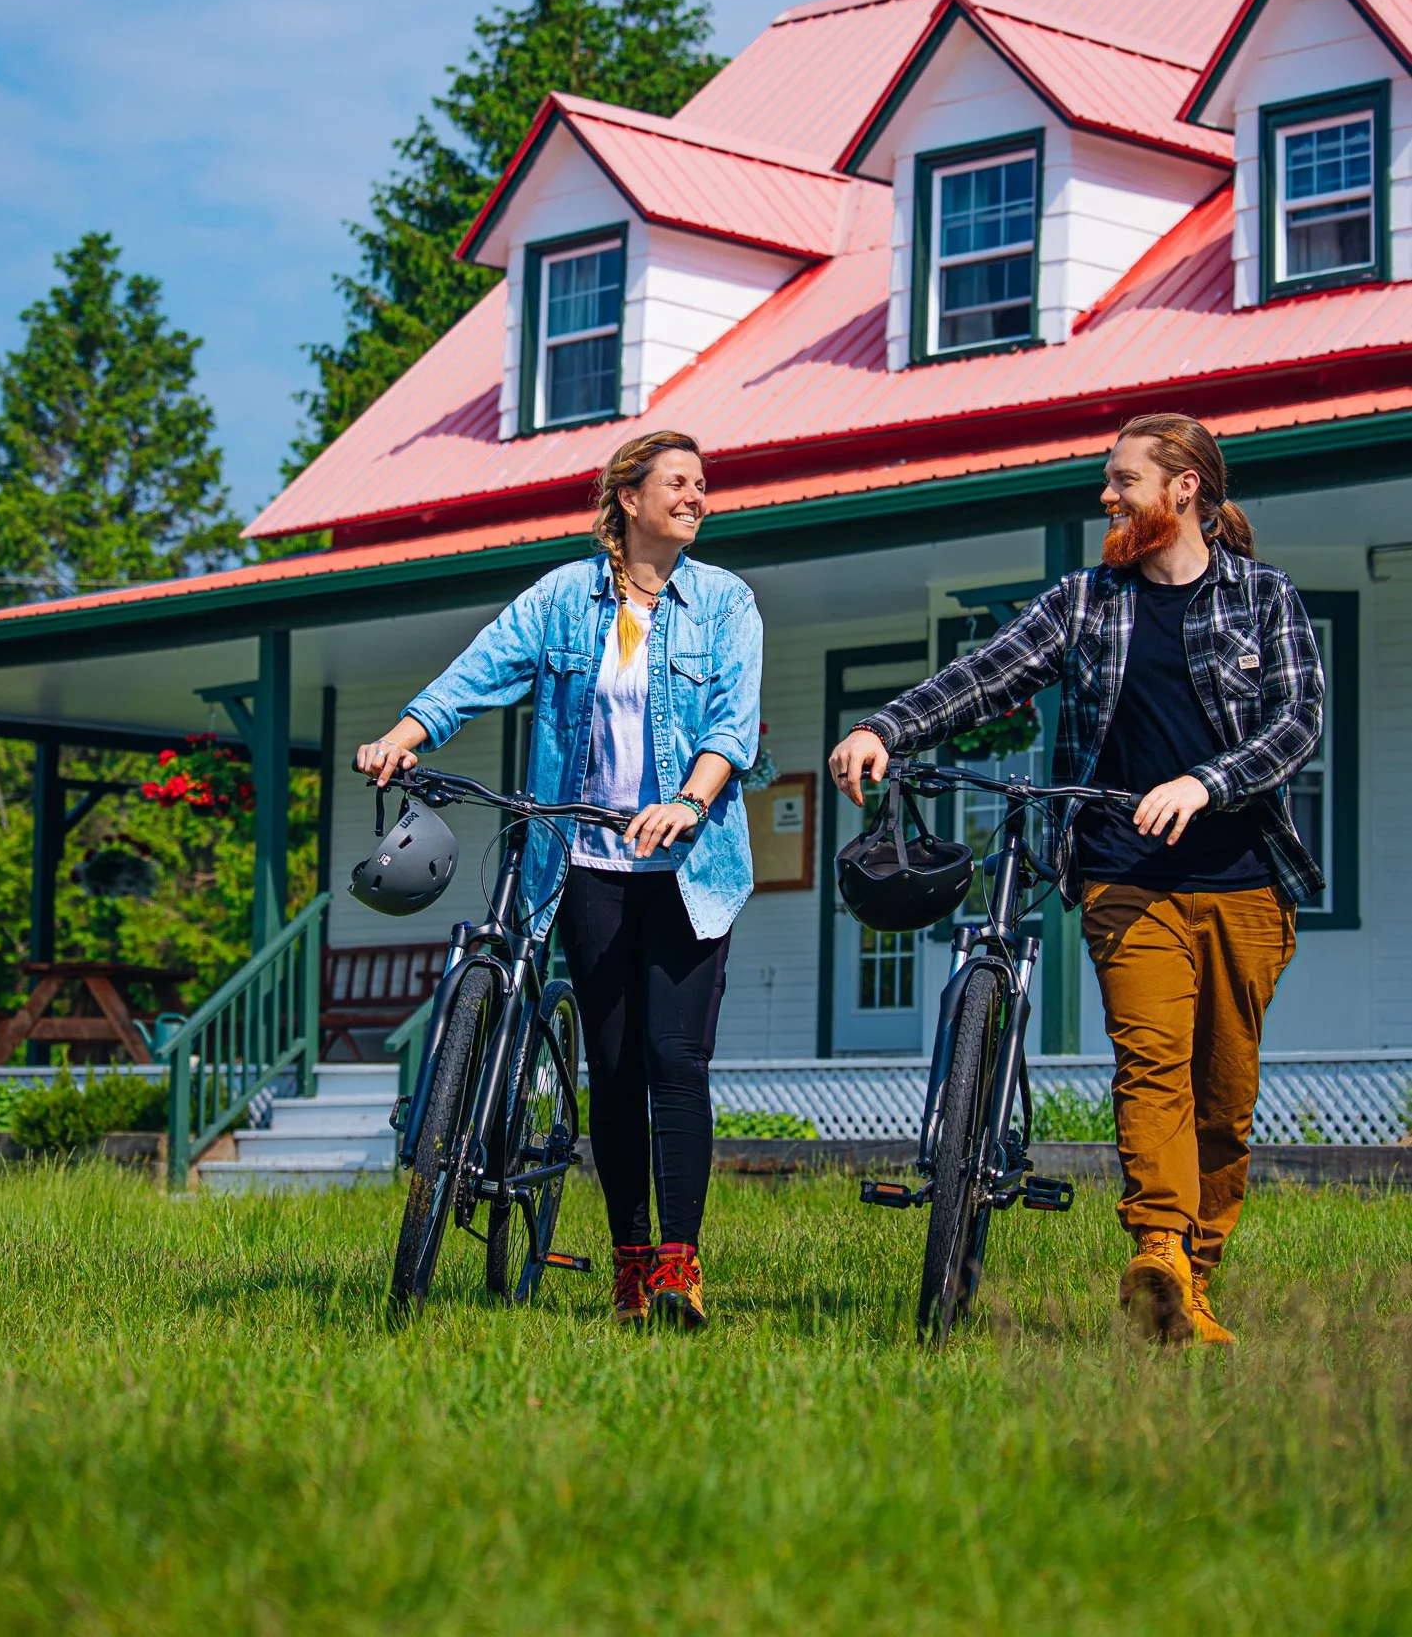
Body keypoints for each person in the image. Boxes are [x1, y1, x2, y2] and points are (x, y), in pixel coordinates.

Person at [829, 412, 1324, 1346]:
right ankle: (1158, 1250)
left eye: (1122, 479)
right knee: (1151, 1065)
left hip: (1243, 879)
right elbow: (985, 674)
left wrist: (1204, 782)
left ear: (1183, 488)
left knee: (1224, 1097)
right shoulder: (1086, 601)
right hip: (1120, 871)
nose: (1106, 494)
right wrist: (885, 727)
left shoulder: (1263, 598)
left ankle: (1195, 1283)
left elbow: (1296, 724)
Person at [356, 430, 761, 1331]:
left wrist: (688, 803)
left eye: (702, 486)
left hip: (689, 867)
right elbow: (477, 672)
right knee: (612, 1069)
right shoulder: (561, 601)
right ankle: (627, 1267)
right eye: (678, 485)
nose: (696, 498)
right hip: (585, 863)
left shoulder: (726, 604)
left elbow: (733, 729)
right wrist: (406, 736)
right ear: (629, 498)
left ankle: (678, 1267)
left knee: (673, 1060)